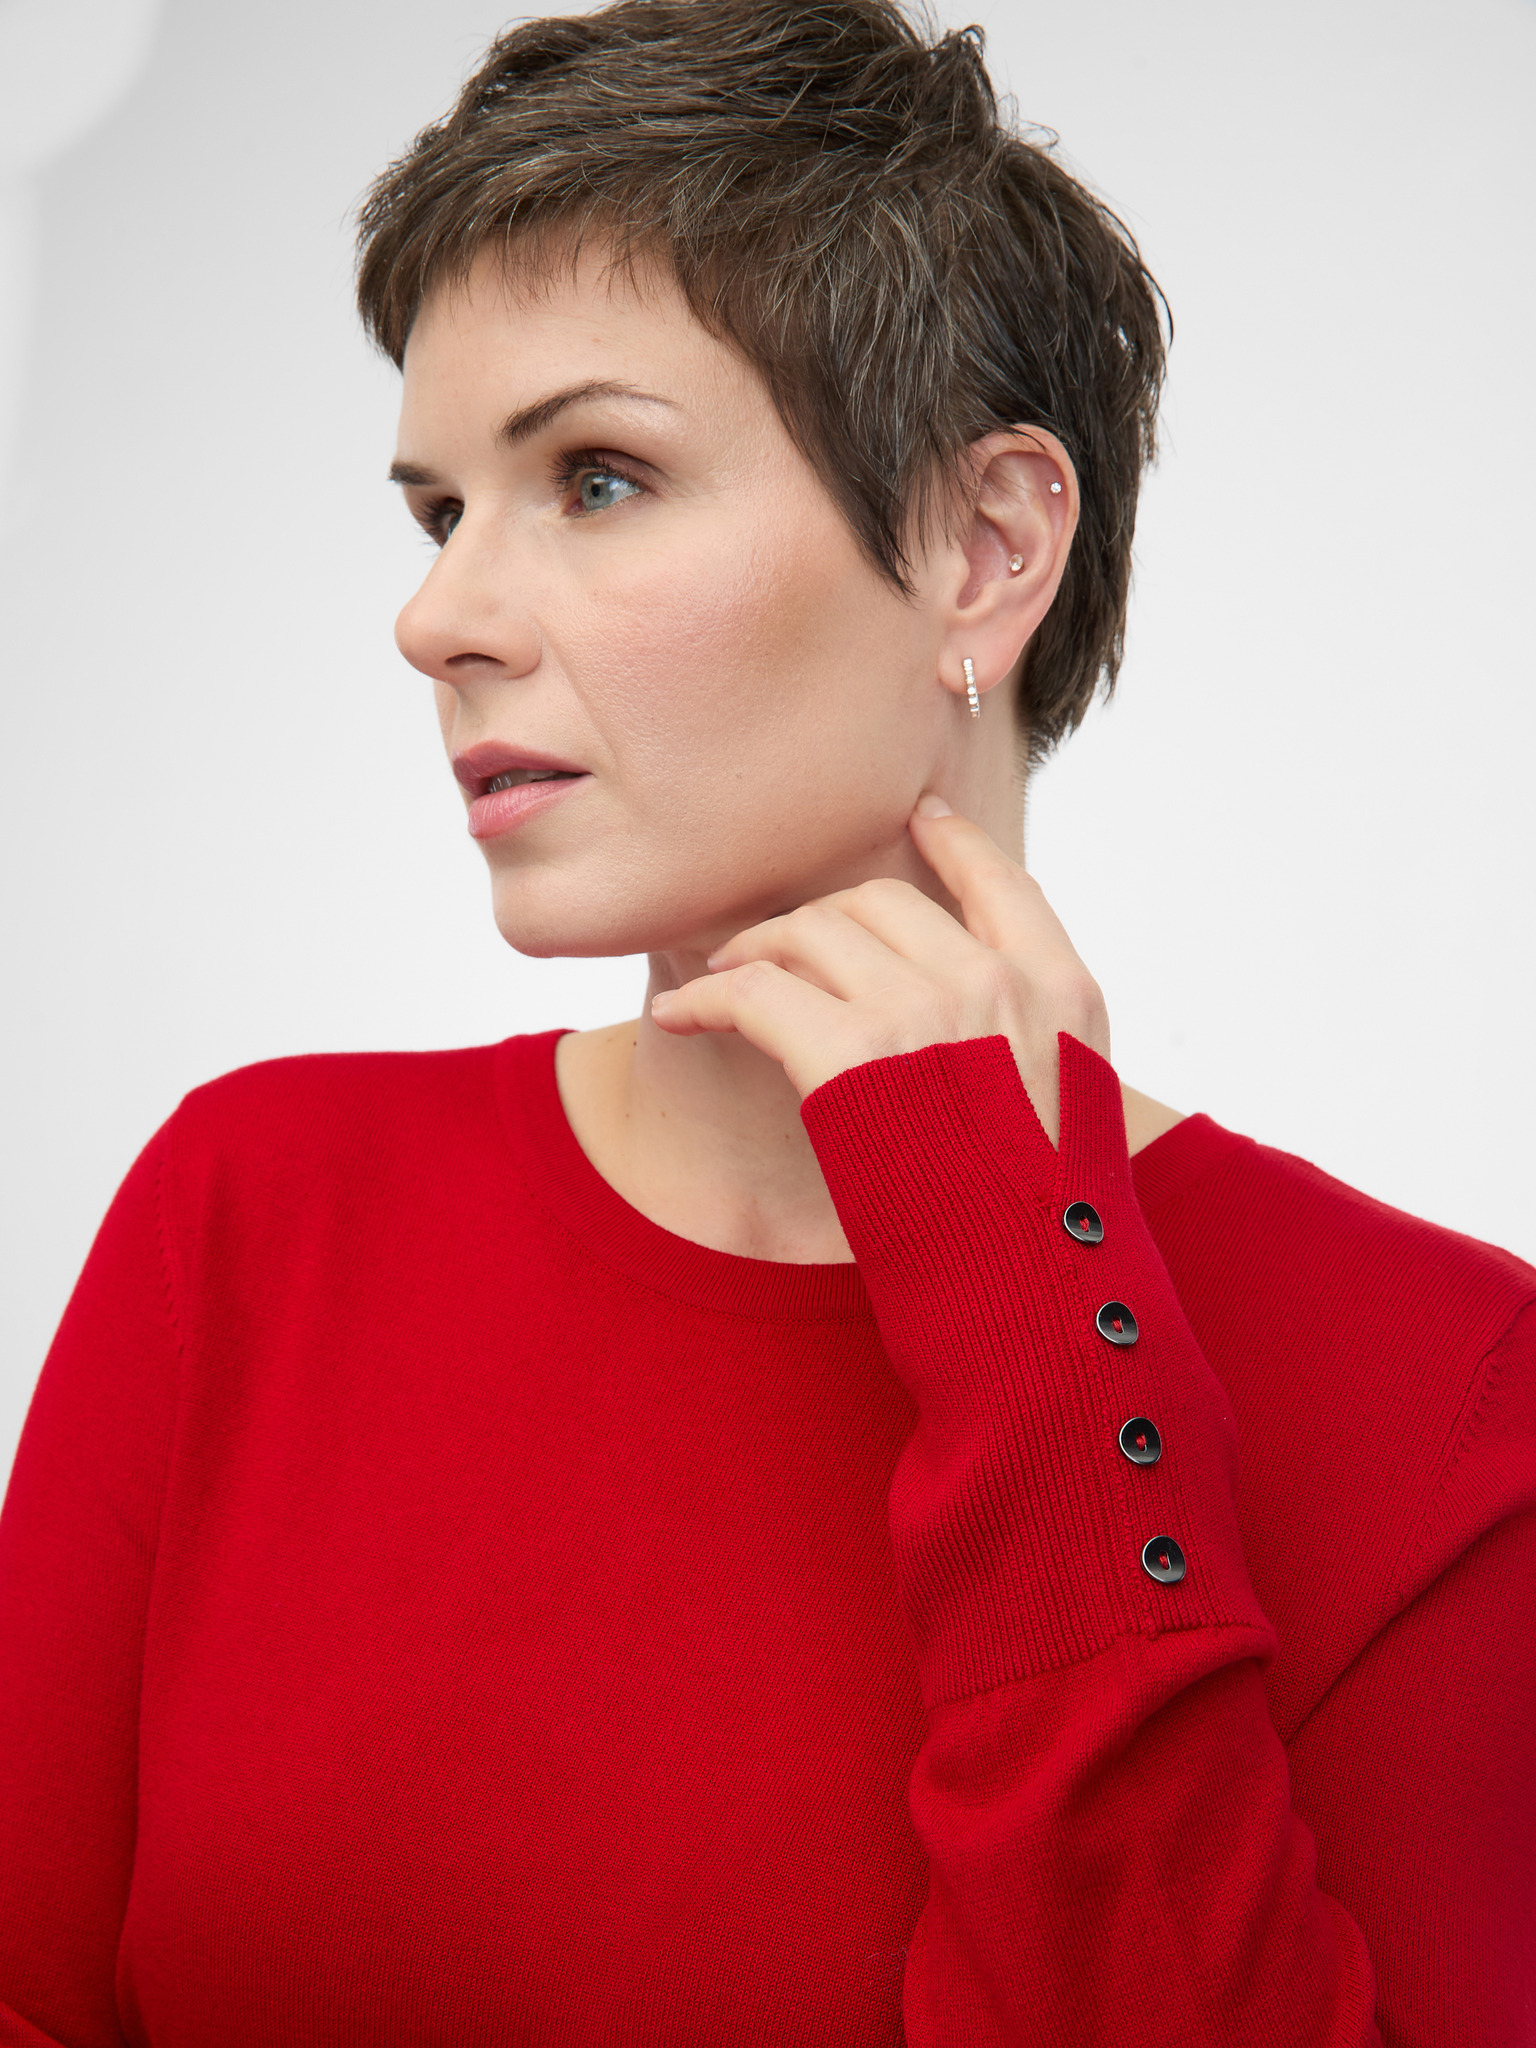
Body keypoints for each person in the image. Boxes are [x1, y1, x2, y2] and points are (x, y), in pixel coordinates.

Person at [2, 1, 1532, 2041]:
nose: (436, 619)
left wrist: (1028, 1292)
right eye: (441, 510)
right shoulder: (256, 1211)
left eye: (599, 476)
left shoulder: (1445, 1391)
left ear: (987, 547)